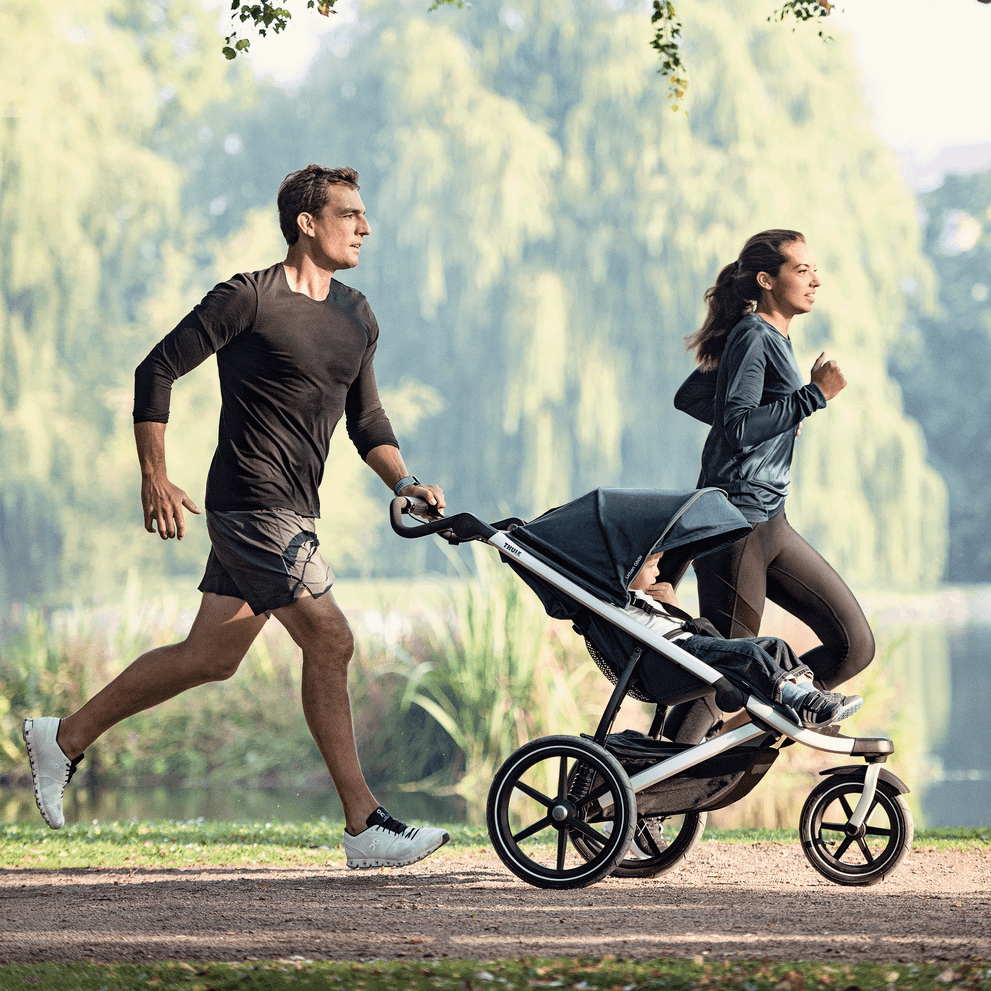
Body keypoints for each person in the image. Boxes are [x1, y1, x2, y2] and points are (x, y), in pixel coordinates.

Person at [22, 165, 450, 870]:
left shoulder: (356, 314)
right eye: (349, 214)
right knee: (332, 639)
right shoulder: (248, 297)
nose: (364, 227)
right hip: (251, 502)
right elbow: (155, 369)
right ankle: (363, 823)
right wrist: (153, 473)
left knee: (210, 657)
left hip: (291, 508)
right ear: (306, 223)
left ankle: (63, 737)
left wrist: (401, 480)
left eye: (363, 215)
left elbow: (365, 418)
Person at [670, 229, 874, 742]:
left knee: (853, 645)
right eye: (802, 270)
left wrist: (777, 417)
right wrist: (809, 399)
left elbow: (694, 397)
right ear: (767, 280)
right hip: (735, 524)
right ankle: (651, 790)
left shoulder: (765, 336)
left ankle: (750, 724)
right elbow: (737, 428)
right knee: (722, 676)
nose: (816, 280)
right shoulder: (753, 334)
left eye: (814, 270)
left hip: (770, 520)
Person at [627, 553, 862, 729]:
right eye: (651, 566)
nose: (657, 573)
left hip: (687, 644)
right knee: (748, 653)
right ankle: (801, 701)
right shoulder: (620, 602)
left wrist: (671, 604)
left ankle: (811, 697)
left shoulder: (644, 595)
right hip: (674, 654)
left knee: (775, 646)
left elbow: (667, 622)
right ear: (629, 569)